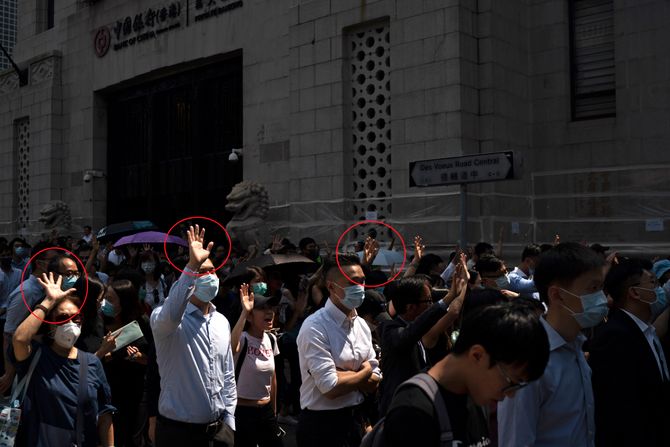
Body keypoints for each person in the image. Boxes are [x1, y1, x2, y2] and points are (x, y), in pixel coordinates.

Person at [382, 302, 549, 447]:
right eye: (511, 382)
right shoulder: (413, 411)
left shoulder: (476, 396)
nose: (510, 395)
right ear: (477, 355)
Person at [497, 242, 608, 446]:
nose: (602, 298)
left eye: (601, 288)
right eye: (592, 288)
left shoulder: (575, 346)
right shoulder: (527, 363)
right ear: (557, 295)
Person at [150, 225, 236, 447]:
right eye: (202, 271)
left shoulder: (221, 321)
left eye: (212, 270)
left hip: (218, 432)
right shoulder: (165, 319)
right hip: (178, 434)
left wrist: (230, 421)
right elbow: (172, 312)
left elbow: (227, 374)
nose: (209, 276)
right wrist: (192, 265)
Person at [11, 272, 115, 446]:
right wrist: (49, 301)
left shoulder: (92, 362)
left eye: (77, 318)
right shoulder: (36, 357)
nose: (71, 324)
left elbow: (105, 415)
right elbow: (20, 339)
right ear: (49, 322)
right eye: (62, 318)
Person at [296, 254, 381, 447]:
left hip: (356, 421)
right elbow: (330, 387)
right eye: (352, 282)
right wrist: (365, 371)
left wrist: (345, 376)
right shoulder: (315, 327)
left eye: (362, 281)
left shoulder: (361, 325)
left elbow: (375, 382)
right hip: (322, 428)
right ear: (332, 287)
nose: (360, 287)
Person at [588, 258, 670, 446]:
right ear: (635, 292)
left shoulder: (644, 330)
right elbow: (620, 408)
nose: (658, 288)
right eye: (653, 282)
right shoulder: (615, 337)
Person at [377, 273, 466, 416]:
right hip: (400, 411)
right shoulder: (391, 330)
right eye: (428, 301)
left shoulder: (415, 330)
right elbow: (411, 333)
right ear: (411, 307)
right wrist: (449, 297)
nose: (431, 305)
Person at [1, 243, 60, 393]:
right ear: (40, 263)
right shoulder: (27, 292)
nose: (57, 264)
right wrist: (9, 372)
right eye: (54, 260)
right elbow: (9, 334)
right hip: (27, 363)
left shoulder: (50, 289)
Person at [100, 279, 153, 447]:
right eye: (104, 297)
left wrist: (140, 358)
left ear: (124, 301)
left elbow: (154, 359)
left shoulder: (143, 322)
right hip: (108, 391)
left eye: (110, 299)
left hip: (135, 393)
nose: (105, 302)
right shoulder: (100, 322)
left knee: (132, 438)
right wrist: (104, 353)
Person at [231, 283, 282, 447]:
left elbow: (273, 379)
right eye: (262, 309)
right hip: (242, 414)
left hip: (266, 413)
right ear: (251, 317)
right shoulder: (243, 338)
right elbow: (231, 347)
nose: (269, 312)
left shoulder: (271, 339)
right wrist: (244, 313)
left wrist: (273, 413)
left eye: (271, 308)